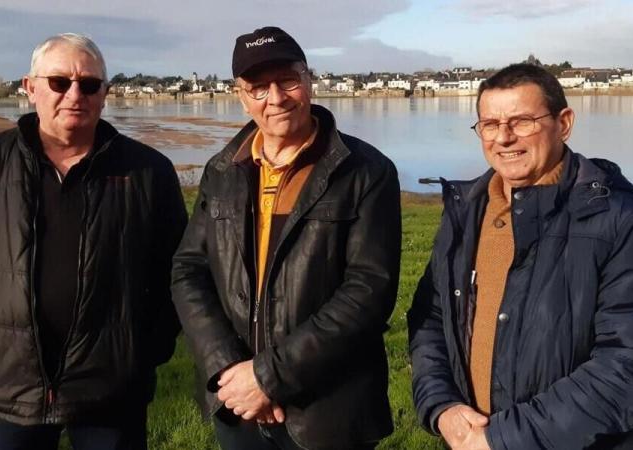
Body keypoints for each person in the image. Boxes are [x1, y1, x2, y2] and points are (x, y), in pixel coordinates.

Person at [0, 33, 187, 450]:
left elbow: (177, 274)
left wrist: (142, 353)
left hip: (111, 390)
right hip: (7, 386)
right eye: (58, 82)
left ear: (104, 93)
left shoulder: (148, 172)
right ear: (30, 87)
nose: (74, 94)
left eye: (89, 84)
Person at [171, 26, 401, 450]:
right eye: (258, 88)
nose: (275, 98)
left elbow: (369, 291)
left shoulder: (366, 171)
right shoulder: (222, 171)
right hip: (238, 405)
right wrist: (228, 370)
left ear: (309, 79)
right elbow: (189, 270)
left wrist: (268, 377)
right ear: (241, 95)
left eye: (288, 81)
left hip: (328, 410)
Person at [408, 63, 633, 449]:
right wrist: (441, 407)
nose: (504, 138)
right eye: (490, 125)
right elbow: (431, 316)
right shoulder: (467, 211)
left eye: (522, 121)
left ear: (564, 123)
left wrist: (503, 438)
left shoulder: (617, 219)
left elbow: (623, 366)